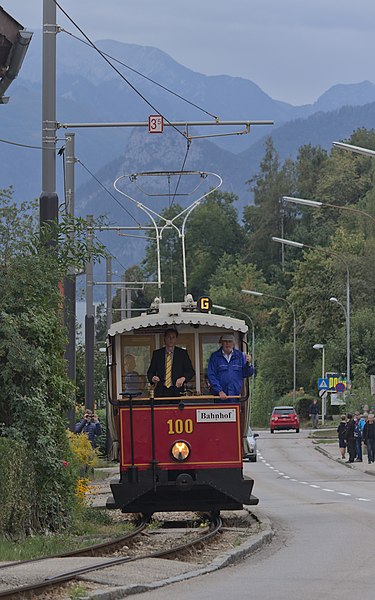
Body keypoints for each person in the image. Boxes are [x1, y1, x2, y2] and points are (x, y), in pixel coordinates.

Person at [147, 328, 195, 397]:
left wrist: (183, 378)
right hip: (161, 391)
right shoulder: (157, 354)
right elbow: (150, 372)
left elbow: (191, 371)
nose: (171, 339)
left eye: (173, 337)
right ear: (165, 338)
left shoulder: (182, 354)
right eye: (169, 337)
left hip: (177, 391)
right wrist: (152, 378)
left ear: (176, 339)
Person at [207, 333, 253, 401]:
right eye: (225, 341)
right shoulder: (215, 357)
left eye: (229, 341)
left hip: (235, 396)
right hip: (219, 397)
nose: (227, 344)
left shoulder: (240, 356)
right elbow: (211, 375)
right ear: (222, 343)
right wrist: (220, 391)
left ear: (233, 343)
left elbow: (247, 374)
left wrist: (248, 364)